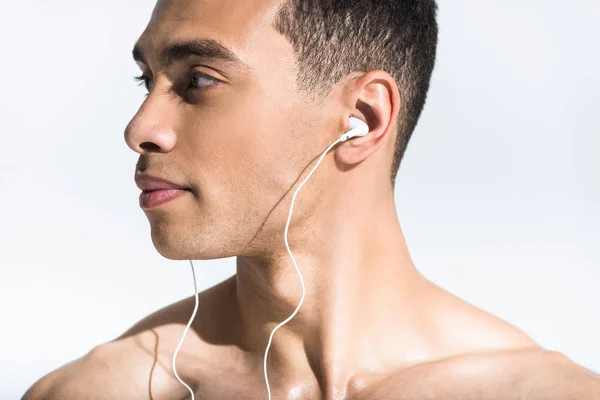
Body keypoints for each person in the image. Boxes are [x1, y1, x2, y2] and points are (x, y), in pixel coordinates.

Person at [23, 0, 600, 399]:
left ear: (362, 119)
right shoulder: (97, 390)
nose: (140, 128)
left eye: (198, 79)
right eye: (146, 81)